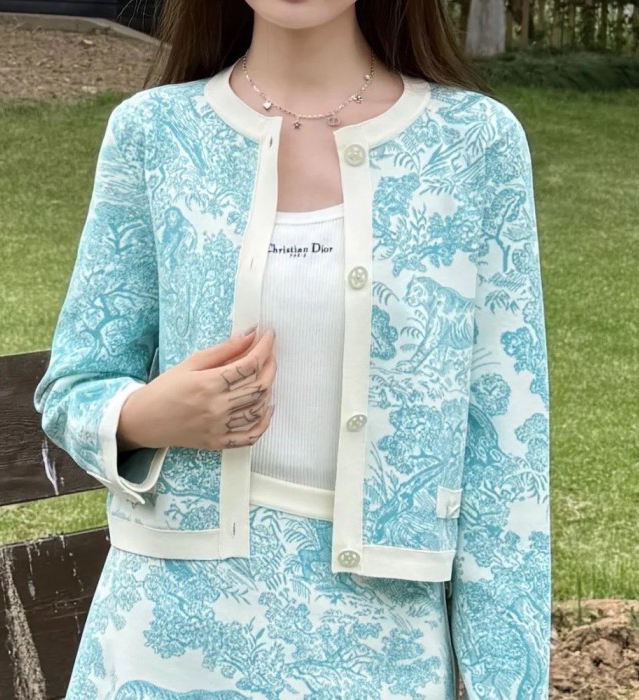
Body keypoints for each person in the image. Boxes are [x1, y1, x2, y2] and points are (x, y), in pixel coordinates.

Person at [34, 0, 551, 698]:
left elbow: (508, 450)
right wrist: (151, 415)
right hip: (164, 635)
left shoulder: (475, 143)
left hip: (382, 649)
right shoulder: (153, 133)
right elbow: (74, 386)